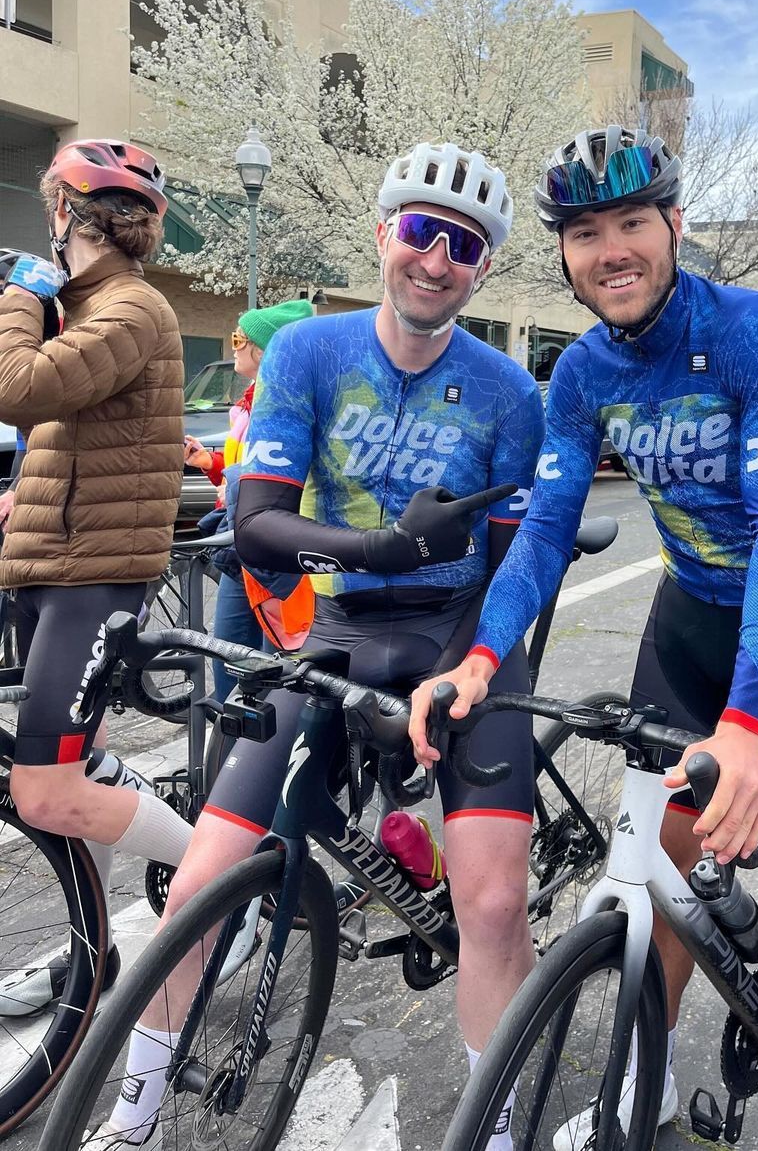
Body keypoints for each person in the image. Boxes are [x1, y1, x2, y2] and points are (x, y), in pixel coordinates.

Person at [412, 126, 758, 1151]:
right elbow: (541, 529)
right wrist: (482, 658)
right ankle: (649, 1086)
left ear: (674, 225)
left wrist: (748, 728)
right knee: (662, 886)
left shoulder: (757, 333)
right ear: (567, 254)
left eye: (632, 221)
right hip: (684, 626)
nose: (612, 248)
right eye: (586, 232)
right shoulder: (579, 374)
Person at [86, 142, 544, 1151]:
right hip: (338, 630)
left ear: (483, 269)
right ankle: (129, 1121)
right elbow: (256, 524)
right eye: (421, 231)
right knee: (201, 886)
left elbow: (521, 567)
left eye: (462, 246)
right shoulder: (309, 354)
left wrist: (478, 674)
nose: (436, 260)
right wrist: (378, 544)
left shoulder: (511, 393)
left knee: (495, 901)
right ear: (385, 234)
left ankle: (498, 1130)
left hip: (458, 636)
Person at [0, 141, 193, 1016]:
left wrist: (17, 297)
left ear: (66, 216)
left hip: (92, 576)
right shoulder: (87, 309)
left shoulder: (131, 310)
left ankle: (218, 876)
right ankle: (94, 952)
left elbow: (16, 387)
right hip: (50, 565)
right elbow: (67, 437)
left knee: (43, 789)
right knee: (80, 769)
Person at [181, 298, 314, 702]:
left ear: (263, 350)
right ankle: (228, 747)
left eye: (239, 338)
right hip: (243, 541)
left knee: (274, 660)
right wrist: (213, 463)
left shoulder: (287, 401)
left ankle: (264, 751)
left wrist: (233, 481)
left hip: (271, 547)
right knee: (229, 655)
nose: (233, 345)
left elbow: (290, 475)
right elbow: (251, 469)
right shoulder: (251, 400)